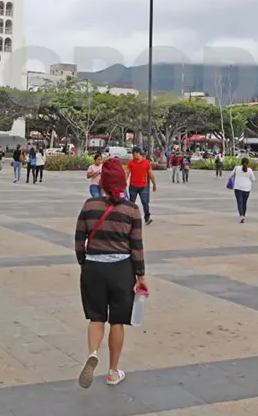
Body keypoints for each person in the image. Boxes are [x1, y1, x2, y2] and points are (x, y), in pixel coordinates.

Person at [74, 157, 146, 388]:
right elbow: (136, 246)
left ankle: (93, 353)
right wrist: (140, 275)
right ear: (123, 184)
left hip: (94, 268)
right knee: (117, 321)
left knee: (96, 317)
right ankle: (113, 371)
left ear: (103, 183)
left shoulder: (89, 205)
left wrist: (84, 261)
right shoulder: (131, 210)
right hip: (121, 270)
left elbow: (78, 239)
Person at [125, 146, 155, 225]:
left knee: (145, 202)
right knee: (131, 203)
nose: (133, 156)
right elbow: (127, 172)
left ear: (138, 153)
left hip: (143, 186)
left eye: (134, 154)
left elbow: (150, 173)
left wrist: (154, 184)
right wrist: (124, 181)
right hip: (133, 186)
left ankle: (147, 218)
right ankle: (130, 218)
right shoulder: (131, 162)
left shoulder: (146, 162)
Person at [231, 157, 256, 223]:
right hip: (247, 188)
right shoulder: (249, 170)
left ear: (241, 162)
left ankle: (241, 215)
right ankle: (244, 215)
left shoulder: (237, 168)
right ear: (248, 163)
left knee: (239, 202)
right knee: (244, 203)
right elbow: (253, 179)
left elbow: (231, 175)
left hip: (238, 187)